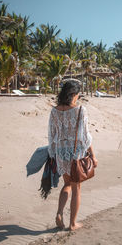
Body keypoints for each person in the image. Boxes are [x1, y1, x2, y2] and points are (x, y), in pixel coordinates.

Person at [48, 80, 98, 231]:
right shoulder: (80, 110)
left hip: (61, 153)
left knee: (67, 184)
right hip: (76, 154)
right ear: (74, 95)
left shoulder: (54, 111)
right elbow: (85, 137)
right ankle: (72, 224)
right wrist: (93, 156)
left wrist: (52, 153)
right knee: (77, 188)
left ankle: (59, 213)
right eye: (78, 94)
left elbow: (51, 135)